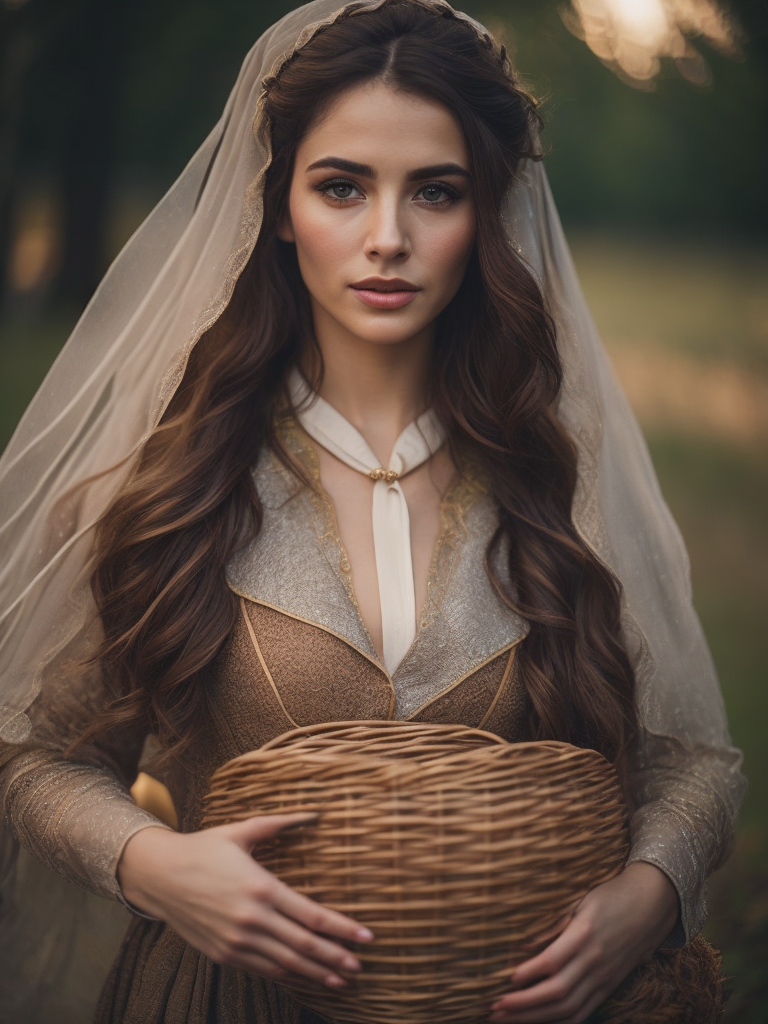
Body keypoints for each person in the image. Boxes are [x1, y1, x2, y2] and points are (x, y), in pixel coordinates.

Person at [0, 1, 745, 1022]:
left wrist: (647, 894)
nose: (386, 239)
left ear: (485, 211)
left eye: (435, 192)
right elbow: (37, 753)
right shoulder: (174, 481)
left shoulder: (557, 477)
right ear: (276, 204)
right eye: (341, 187)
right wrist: (150, 864)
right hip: (224, 999)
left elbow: (690, 756)